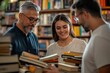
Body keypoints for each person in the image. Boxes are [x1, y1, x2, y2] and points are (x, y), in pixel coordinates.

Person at [44, 0, 110, 73]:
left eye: (77, 18)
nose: (78, 22)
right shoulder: (99, 34)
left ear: (85, 14)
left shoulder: (101, 37)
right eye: (58, 28)